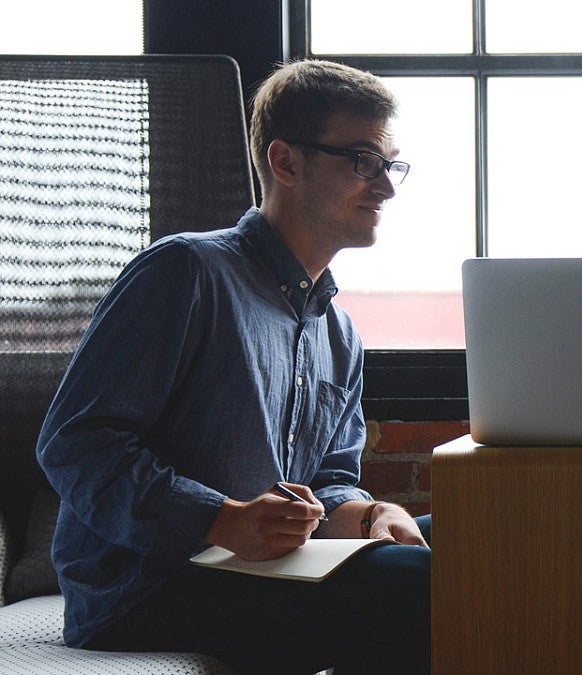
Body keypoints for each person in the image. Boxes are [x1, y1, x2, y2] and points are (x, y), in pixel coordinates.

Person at [36, 59, 431, 674]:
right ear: (286, 163)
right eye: (363, 160)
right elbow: (74, 444)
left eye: (390, 164)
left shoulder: (338, 332)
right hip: (145, 588)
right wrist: (219, 520)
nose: (386, 187)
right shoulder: (186, 272)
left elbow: (327, 480)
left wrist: (372, 513)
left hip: (265, 566)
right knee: (422, 585)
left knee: (474, 544)